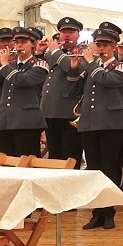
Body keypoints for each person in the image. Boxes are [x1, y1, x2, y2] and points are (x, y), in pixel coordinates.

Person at [72, 27, 123, 230]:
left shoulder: (121, 67)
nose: (101, 48)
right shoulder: (90, 67)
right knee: (94, 169)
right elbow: (73, 89)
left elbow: (107, 80)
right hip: (89, 123)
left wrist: (90, 63)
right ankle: (96, 212)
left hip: (111, 123)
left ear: (115, 47)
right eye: (98, 44)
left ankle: (109, 212)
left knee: (109, 168)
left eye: (105, 44)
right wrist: (75, 69)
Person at [0, 26, 50, 158]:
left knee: (27, 163)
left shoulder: (40, 64)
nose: (19, 45)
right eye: (16, 42)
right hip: (3, 121)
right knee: (4, 164)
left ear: (33, 44)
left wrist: (4, 64)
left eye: (24, 42)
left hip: (26, 123)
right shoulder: (10, 65)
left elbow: (22, 81)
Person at [40, 17, 86, 165]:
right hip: (50, 110)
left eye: (71, 32)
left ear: (78, 34)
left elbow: (73, 68)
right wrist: (39, 53)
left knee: (70, 156)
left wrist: (55, 52)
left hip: (69, 111)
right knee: (54, 156)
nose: (67, 35)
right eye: (64, 32)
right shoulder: (52, 53)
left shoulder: (83, 51)